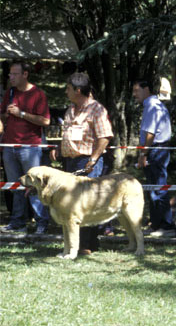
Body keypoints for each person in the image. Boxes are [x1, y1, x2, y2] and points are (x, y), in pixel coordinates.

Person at [50, 72, 113, 254]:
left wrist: (93, 159)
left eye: (68, 89)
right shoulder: (70, 109)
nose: (66, 92)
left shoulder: (97, 109)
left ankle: (88, 245)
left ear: (78, 90)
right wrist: (58, 150)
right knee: (71, 204)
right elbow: (69, 135)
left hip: (88, 162)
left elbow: (105, 137)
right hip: (70, 163)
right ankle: (73, 245)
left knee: (86, 204)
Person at [0, 60, 50, 234]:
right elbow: (3, 116)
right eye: (10, 74)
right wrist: (6, 114)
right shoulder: (10, 92)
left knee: (35, 186)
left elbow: (45, 121)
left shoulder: (38, 94)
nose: (10, 77)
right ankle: (18, 221)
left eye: (14, 74)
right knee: (15, 187)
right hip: (9, 145)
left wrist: (21, 114)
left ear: (25, 74)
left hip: (30, 147)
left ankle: (42, 221)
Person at [133, 79, 176, 237]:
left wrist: (144, 153)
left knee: (158, 187)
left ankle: (166, 226)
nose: (134, 94)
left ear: (147, 89)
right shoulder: (151, 105)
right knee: (153, 188)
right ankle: (156, 224)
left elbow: (150, 134)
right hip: (154, 150)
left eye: (136, 90)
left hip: (156, 150)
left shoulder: (152, 106)